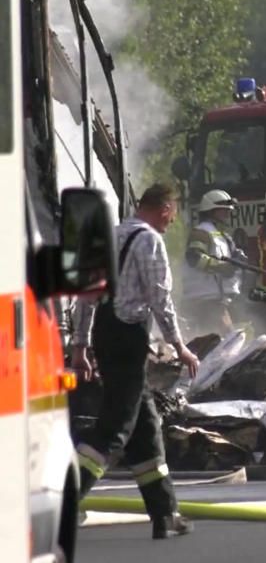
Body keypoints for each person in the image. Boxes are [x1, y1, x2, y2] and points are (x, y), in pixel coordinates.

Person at [71, 183, 199, 539]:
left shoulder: (108, 236)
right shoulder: (150, 242)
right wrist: (180, 345)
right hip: (129, 339)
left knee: (146, 427)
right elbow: (160, 298)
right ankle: (65, 502)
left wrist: (80, 345)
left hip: (105, 336)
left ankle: (165, 513)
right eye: (172, 217)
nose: (170, 224)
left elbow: (85, 297)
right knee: (115, 427)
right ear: (165, 209)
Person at [181, 189, 244, 335]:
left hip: (216, 298)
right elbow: (194, 257)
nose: (228, 214)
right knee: (227, 341)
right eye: (224, 210)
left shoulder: (221, 235)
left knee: (226, 340)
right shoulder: (201, 232)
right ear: (211, 211)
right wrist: (223, 267)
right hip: (204, 299)